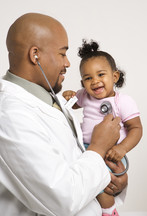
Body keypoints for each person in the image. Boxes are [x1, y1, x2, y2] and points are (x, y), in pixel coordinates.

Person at [0, 13, 128, 216]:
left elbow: (74, 163)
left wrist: (112, 179)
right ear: (35, 55)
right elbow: (61, 199)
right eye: (62, 53)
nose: (68, 63)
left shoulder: (48, 98)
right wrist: (98, 147)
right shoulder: (9, 114)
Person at [63, 40, 143, 216]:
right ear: (83, 82)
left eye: (101, 75)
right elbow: (74, 104)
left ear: (114, 77)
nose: (95, 82)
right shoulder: (85, 96)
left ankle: (109, 211)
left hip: (110, 153)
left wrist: (121, 149)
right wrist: (69, 95)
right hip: (86, 149)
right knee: (85, 183)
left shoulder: (123, 102)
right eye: (88, 78)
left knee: (101, 186)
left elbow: (136, 129)